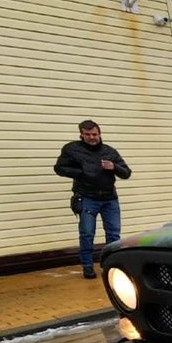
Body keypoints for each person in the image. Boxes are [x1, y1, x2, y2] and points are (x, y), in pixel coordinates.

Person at [54, 120, 131, 279]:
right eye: (87, 134)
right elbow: (59, 168)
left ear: (99, 134)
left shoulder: (109, 151)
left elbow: (127, 173)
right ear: (81, 134)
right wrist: (81, 172)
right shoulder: (72, 149)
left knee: (113, 234)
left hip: (110, 199)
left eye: (94, 134)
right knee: (87, 233)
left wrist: (114, 167)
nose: (92, 137)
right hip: (87, 197)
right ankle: (88, 266)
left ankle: (111, 264)